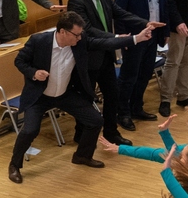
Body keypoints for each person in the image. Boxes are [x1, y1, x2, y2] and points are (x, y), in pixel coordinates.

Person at [8, 11, 117, 183]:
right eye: (76, 34)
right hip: (40, 96)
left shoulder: (78, 44)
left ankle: (82, 156)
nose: (79, 38)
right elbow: (19, 61)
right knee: (30, 130)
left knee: (95, 120)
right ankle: (14, 165)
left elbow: (103, 42)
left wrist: (135, 39)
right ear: (63, 32)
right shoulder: (39, 41)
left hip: (64, 93)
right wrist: (34, 73)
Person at [67, 0, 156, 145]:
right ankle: (80, 133)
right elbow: (88, 31)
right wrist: (115, 37)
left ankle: (111, 132)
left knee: (112, 94)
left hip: (106, 56)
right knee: (86, 98)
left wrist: (145, 22)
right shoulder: (76, 1)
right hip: (88, 58)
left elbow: (120, 13)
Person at [115, 0, 168, 128]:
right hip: (134, 35)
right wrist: (123, 36)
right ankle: (122, 113)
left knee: (145, 74)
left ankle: (137, 107)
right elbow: (119, 10)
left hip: (153, 34)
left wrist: (165, 32)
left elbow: (164, 6)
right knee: (129, 76)